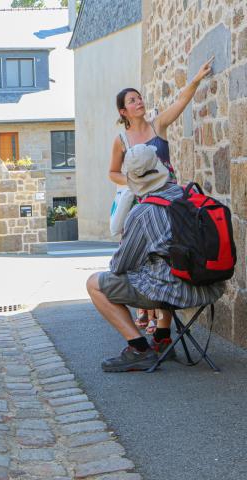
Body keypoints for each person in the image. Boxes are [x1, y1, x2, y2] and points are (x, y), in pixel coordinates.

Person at [87, 144, 224, 372]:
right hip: (210, 286)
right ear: (159, 166)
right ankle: (162, 338)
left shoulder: (141, 213)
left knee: (94, 283)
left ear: (132, 178)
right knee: (165, 262)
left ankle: (139, 349)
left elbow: (119, 265)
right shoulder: (192, 194)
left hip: (174, 292)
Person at [108, 57, 214, 335]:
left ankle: (164, 331)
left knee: (171, 260)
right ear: (124, 110)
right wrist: (132, 184)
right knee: (147, 262)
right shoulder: (121, 141)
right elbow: (113, 173)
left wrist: (196, 79)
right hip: (144, 206)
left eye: (140, 98)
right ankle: (147, 313)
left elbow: (181, 102)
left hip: (172, 202)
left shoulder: (158, 126)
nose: (139, 102)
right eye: (132, 100)